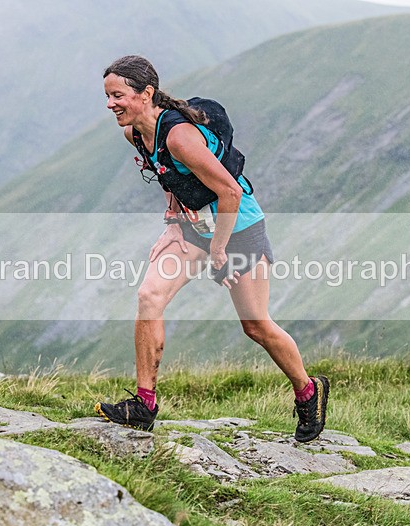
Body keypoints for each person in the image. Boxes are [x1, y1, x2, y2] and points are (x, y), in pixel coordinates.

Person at [94, 55, 328, 443]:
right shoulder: (134, 133)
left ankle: (308, 391)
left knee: (254, 324)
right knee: (149, 296)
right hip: (192, 227)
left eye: (117, 95)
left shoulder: (180, 136)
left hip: (238, 227)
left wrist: (219, 251)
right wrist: (172, 222)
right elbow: (166, 175)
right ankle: (144, 404)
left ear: (146, 93)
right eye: (107, 96)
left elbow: (230, 191)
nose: (110, 104)